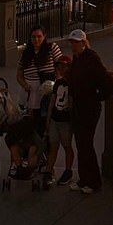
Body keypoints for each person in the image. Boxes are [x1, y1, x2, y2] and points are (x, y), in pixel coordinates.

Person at [66, 29, 113, 194]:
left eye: (76, 43)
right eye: (72, 43)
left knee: (86, 144)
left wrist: (110, 94)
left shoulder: (91, 58)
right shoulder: (77, 60)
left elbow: (104, 77)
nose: (73, 46)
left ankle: (94, 180)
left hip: (89, 108)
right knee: (80, 144)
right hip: (78, 107)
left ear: (83, 43)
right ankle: (84, 178)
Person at [16, 26, 62, 134]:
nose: (36, 40)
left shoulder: (52, 48)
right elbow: (19, 75)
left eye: (39, 36)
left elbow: (61, 67)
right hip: (29, 92)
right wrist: (25, 85)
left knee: (44, 121)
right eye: (33, 37)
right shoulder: (25, 53)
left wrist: (56, 82)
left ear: (44, 36)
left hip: (47, 91)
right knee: (30, 123)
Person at [41, 55, 74, 187]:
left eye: (63, 67)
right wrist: (48, 121)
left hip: (65, 121)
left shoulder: (71, 83)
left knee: (66, 146)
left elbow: (71, 102)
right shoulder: (58, 82)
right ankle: (49, 170)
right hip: (55, 118)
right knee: (53, 146)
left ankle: (68, 170)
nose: (60, 69)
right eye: (59, 67)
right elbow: (52, 103)